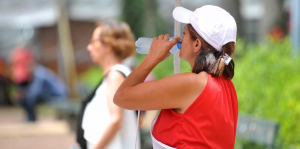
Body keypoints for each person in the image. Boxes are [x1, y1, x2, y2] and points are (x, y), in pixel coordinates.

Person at [114, 5, 238, 149]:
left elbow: (121, 96)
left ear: (196, 44)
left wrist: (152, 58)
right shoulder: (228, 86)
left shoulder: (193, 84)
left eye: (185, 33)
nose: (180, 38)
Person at [77, 20, 140, 149]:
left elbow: (115, 120)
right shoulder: (120, 74)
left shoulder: (115, 76)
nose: (89, 47)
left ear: (108, 45)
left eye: (93, 42)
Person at [10, 47, 69, 121]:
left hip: (59, 95)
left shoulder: (39, 73)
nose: (28, 69)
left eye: (28, 67)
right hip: (55, 93)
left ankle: (31, 118)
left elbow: (35, 91)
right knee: (28, 97)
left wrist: (24, 94)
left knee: (30, 97)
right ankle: (30, 117)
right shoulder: (38, 72)